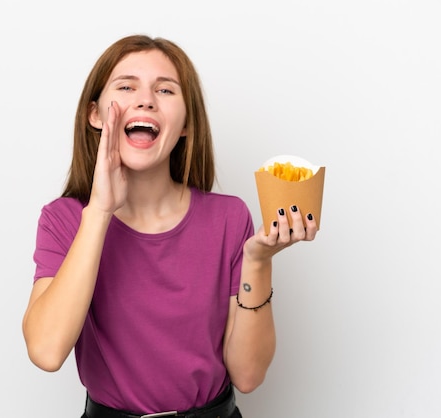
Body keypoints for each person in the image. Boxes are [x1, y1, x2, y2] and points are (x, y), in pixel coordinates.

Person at [22, 34, 318, 418]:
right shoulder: (64, 219)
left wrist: (257, 262)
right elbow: (46, 351)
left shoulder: (228, 218)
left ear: (185, 125)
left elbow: (248, 375)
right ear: (95, 114)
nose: (145, 99)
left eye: (165, 90)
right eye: (127, 86)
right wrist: (98, 212)